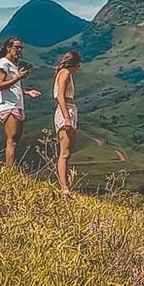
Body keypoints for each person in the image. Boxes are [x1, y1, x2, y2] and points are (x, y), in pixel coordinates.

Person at [0, 37, 41, 167]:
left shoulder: (12, 65)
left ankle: (11, 167)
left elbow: (12, 87)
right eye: (17, 47)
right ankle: (9, 170)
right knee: (12, 140)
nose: (19, 50)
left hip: (16, 104)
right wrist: (18, 77)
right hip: (8, 105)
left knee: (16, 140)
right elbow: (0, 85)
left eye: (21, 48)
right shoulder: (3, 64)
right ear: (8, 48)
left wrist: (26, 92)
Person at [53, 50, 82, 196]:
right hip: (66, 110)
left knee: (67, 152)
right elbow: (60, 96)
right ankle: (64, 187)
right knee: (64, 153)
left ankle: (65, 185)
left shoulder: (64, 73)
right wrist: (66, 117)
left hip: (70, 109)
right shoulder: (65, 73)